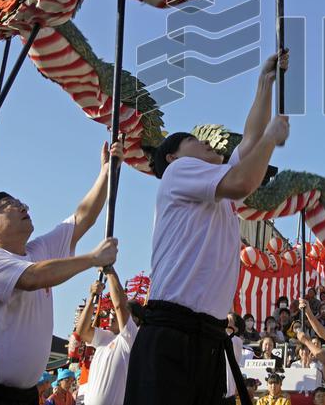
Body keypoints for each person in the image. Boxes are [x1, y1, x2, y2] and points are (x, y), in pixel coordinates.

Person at [124, 50, 289, 404]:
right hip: (173, 332)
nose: (209, 144)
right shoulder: (179, 173)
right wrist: (271, 141)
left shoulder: (211, 186)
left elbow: (248, 137)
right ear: (173, 156)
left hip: (205, 336)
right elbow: (245, 179)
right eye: (195, 141)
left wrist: (265, 82)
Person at [0, 141, 121, 405]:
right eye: (10, 204)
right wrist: (92, 259)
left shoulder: (37, 251)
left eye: (21, 203)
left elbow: (82, 218)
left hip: (21, 395)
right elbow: (33, 278)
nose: (24, 207)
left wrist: (106, 172)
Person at [75, 269, 142, 405]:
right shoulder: (105, 337)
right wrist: (92, 297)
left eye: (115, 315)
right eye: (111, 313)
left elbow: (120, 307)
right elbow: (81, 331)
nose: (112, 316)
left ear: (134, 320)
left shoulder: (131, 338)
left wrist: (109, 270)